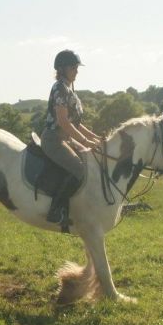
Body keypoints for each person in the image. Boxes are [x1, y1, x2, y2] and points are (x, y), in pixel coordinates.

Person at [41, 49, 101, 229]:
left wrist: (96, 138)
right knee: (79, 169)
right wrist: (85, 142)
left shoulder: (69, 89)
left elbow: (76, 123)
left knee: (90, 164)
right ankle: (56, 210)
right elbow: (63, 121)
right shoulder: (59, 88)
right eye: (73, 67)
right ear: (62, 68)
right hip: (53, 140)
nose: (77, 70)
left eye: (77, 67)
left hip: (65, 139)